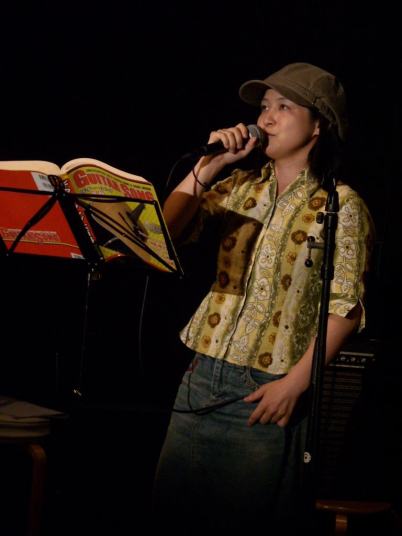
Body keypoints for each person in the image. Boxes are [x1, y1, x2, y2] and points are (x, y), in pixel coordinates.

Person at [152, 62, 374, 533]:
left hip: (264, 389)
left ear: (318, 125)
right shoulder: (240, 187)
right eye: (265, 107)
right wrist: (208, 168)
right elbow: (161, 235)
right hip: (202, 377)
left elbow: (345, 308)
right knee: (172, 515)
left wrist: (294, 384)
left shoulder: (340, 204)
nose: (266, 118)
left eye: (284, 107)